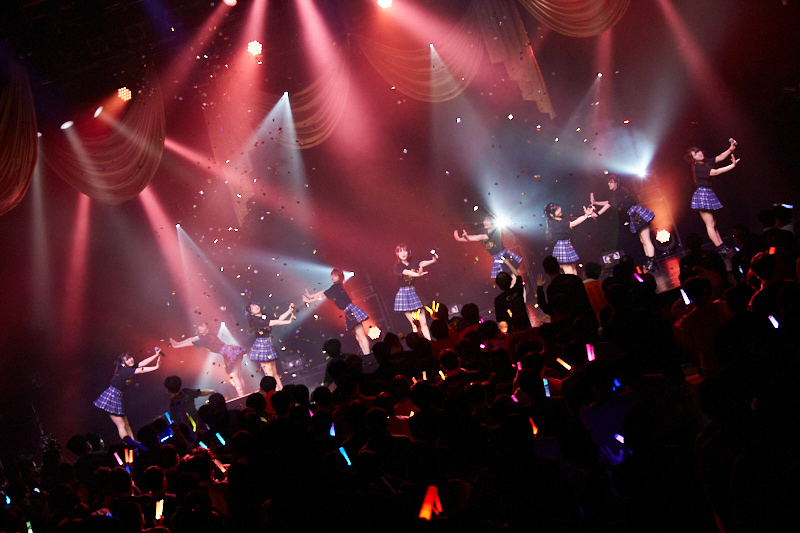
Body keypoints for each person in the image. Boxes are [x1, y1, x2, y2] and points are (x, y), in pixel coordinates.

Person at [590, 174, 657, 272]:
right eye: (608, 182)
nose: (608, 184)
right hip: (634, 214)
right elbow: (609, 202)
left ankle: (652, 262)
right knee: (643, 240)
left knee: (646, 240)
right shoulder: (617, 193)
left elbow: (609, 204)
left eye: (611, 182)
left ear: (616, 183)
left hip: (637, 213)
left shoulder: (619, 192)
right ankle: (650, 262)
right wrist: (595, 203)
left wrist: (597, 213)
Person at [94, 348, 163, 441]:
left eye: (130, 357)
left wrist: (156, 355)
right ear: (123, 363)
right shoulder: (125, 371)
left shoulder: (128, 368)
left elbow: (142, 363)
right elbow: (141, 370)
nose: (130, 360)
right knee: (121, 425)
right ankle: (129, 444)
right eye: (127, 359)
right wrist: (156, 367)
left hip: (117, 397)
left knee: (126, 424)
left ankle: (133, 442)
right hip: (111, 397)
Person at [685, 139, 739, 252]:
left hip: (708, 193)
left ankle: (721, 245)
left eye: (699, 151)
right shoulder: (698, 167)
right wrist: (732, 166)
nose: (699, 154)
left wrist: (730, 149)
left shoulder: (706, 162)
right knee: (710, 224)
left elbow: (720, 157)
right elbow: (715, 172)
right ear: (693, 159)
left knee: (713, 223)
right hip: (702, 194)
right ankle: (720, 248)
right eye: (695, 154)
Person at [303, 268, 372, 356]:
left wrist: (309, 300)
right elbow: (324, 293)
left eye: (335, 275)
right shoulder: (336, 286)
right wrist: (310, 296)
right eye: (332, 275)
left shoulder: (337, 286)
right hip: (348, 311)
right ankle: (366, 354)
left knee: (360, 335)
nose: (332, 277)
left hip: (351, 310)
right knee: (358, 337)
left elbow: (323, 294)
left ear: (339, 277)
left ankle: (368, 355)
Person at [169, 322, 247, 398]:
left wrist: (177, 345)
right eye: (199, 326)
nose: (199, 328)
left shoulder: (206, 337)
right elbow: (192, 339)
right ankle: (242, 395)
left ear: (207, 328)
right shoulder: (206, 336)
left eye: (202, 326)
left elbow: (192, 342)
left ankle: (241, 396)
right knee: (238, 375)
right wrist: (178, 343)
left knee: (234, 375)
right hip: (232, 350)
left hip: (229, 352)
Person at [244, 301, 296, 391]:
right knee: (270, 374)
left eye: (255, 305)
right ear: (251, 313)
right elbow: (272, 323)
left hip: (268, 343)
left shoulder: (265, 315)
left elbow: (278, 319)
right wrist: (288, 322)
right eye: (252, 308)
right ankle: (275, 394)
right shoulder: (256, 320)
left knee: (274, 373)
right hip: (262, 346)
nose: (255, 307)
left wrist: (289, 311)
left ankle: (281, 391)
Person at [393, 243, 438, 340]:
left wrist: (434, 258)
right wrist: (418, 275)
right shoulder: (398, 266)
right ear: (397, 254)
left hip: (414, 293)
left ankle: (429, 343)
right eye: (400, 251)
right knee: (415, 324)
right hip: (404, 295)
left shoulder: (414, 263)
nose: (403, 253)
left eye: (405, 251)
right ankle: (417, 345)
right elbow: (406, 272)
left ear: (408, 252)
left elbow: (424, 263)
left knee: (423, 323)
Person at [454, 216, 522, 279]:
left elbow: (480, 237)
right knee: (508, 280)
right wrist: (460, 239)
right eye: (484, 220)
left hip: (504, 256)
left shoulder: (495, 232)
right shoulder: (485, 233)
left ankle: (520, 286)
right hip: (497, 259)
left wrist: (467, 237)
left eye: (488, 220)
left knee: (515, 277)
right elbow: (476, 237)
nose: (485, 222)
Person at [543, 203, 596, 275]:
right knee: (569, 271)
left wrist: (588, 214)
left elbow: (576, 219)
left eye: (558, 208)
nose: (559, 210)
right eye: (557, 210)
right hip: (562, 247)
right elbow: (572, 224)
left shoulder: (564, 217)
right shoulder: (554, 224)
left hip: (568, 245)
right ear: (551, 214)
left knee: (574, 270)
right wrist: (586, 215)